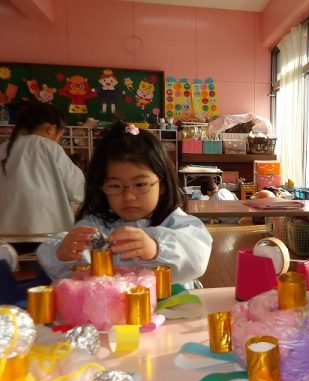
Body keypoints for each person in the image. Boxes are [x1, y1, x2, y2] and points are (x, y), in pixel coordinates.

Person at [37, 122, 213, 288]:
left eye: (140, 184)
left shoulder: (177, 222)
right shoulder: (96, 226)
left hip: (173, 306)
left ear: (162, 185)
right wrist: (64, 254)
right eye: (115, 186)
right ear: (101, 187)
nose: (128, 196)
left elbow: (197, 257)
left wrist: (157, 248)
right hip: (111, 308)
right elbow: (75, 276)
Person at [0, 103, 85, 238]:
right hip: (48, 234)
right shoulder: (51, 148)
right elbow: (78, 190)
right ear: (51, 129)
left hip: (4, 236)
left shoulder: (3, 149)